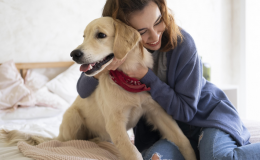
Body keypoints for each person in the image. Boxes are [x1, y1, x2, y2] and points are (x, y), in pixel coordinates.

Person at [77, 0, 260, 159]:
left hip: (207, 118)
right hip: (165, 134)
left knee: (217, 158)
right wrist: (104, 67)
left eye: (158, 21)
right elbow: (83, 90)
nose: (155, 35)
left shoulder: (183, 43)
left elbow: (186, 111)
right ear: (123, 32)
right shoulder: (111, 55)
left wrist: (146, 77)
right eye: (142, 31)